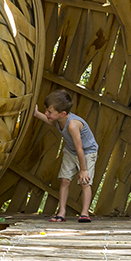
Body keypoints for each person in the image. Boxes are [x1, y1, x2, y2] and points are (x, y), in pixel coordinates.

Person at [31, 88, 97, 223]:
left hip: (86, 152)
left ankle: (84, 213)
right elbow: (51, 121)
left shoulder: (73, 124)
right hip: (71, 151)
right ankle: (61, 212)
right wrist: (36, 114)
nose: (47, 113)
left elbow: (80, 148)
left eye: (49, 112)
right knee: (65, 180)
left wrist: (83, 170)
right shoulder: (60, 120)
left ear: (63, 113)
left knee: (85, 182)